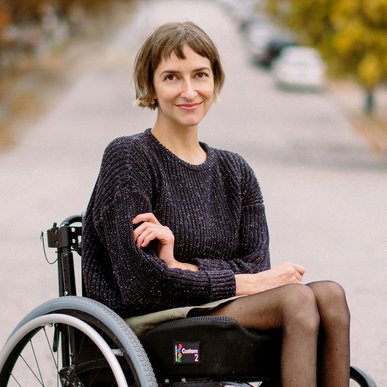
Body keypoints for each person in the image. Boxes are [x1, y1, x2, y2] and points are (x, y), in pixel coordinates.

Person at [82, 21, 350, 386]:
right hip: (147, 322)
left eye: (200, 75)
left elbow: (258, 265)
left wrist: (183, 267)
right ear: (151, 86)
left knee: (330, 295)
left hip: (212, 307)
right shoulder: (129, 157)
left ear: (215, 82)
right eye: (172, 77)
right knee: (297, 301)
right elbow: (141, 283)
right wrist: (243, 281)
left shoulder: (235, 170)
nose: (189, 90)